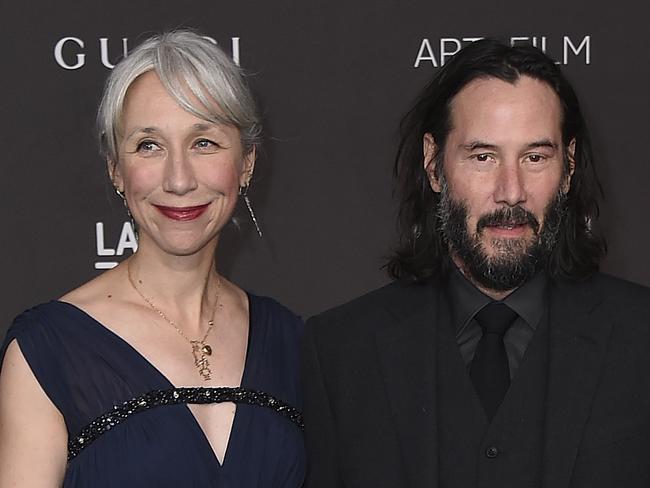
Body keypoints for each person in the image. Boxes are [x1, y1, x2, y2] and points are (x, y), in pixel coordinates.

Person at [302, 39, 650, 488]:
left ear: (568, 168)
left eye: (535, 157)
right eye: (483, 156)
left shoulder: (641, 338)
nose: (511, 191)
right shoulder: (341, 351)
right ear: (433, 164)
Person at [0, 30, 304, 487]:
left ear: (246, 163)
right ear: (116, 170)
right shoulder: (49, 350)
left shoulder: (293, 341)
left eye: (204, 142)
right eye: (149, 145)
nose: (179, 180)